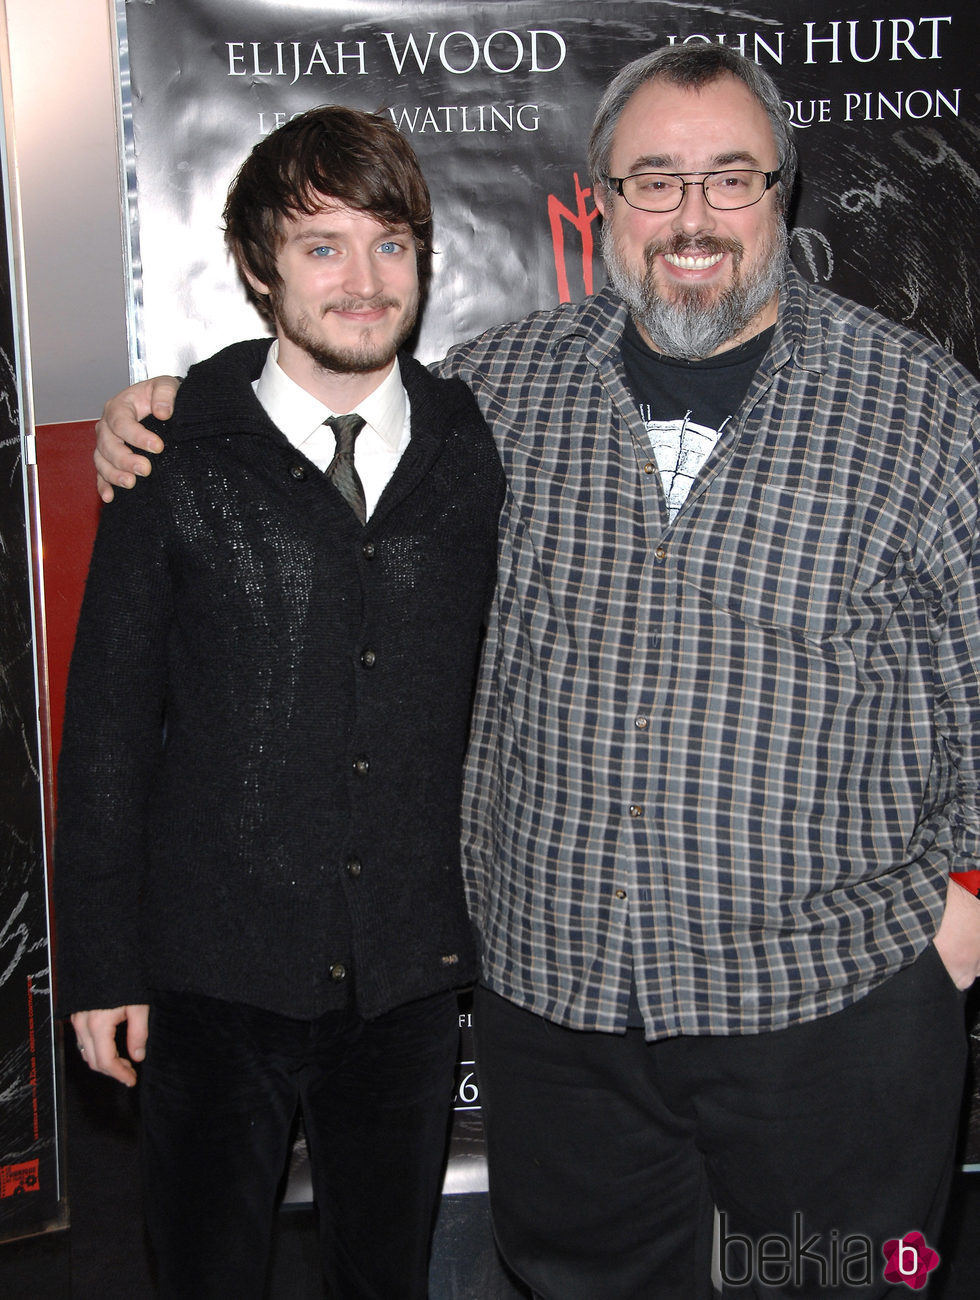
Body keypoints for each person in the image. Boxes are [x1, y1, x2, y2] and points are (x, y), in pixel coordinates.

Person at [93, 45, 980, 1300]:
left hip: (828, 1014)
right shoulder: (496, 394)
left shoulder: (920, 407)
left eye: (729, 178)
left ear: (782, 195)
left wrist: (962, 910)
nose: (690, 216)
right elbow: (325, 410)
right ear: (600, 201)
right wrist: (172, 414)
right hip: (562, 1024)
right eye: (652, 180)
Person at [56, 105, 503, 1300]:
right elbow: (104, 727)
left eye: (390, 242)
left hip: (406, 978)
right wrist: (101, 962)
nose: (362, 280)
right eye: (322, 246)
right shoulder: (177, 454)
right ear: (259, 266)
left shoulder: (471, 445)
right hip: (212, 974)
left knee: (383, 1279)